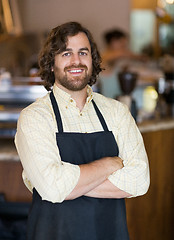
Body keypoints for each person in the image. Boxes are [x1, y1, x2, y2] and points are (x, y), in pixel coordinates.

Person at [15, 22, 150, 240]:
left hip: (109, 233)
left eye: (83, 52)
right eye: (66, 53)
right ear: (52, 64)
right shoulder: (35, 116)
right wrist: (110, 164)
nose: (76, 61)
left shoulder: (116, 112)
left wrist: (68, 186)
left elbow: (139, 181)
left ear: (92, 59)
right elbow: (52, 187)